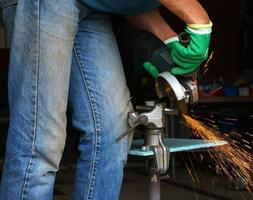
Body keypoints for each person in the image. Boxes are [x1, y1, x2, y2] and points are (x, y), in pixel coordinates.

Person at [0, 0, 211, 199]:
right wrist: (199, 20)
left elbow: (135, 6)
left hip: (93, 7)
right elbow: (195, 16)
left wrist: (169, 40)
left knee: (112, 132)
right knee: (42, 140)